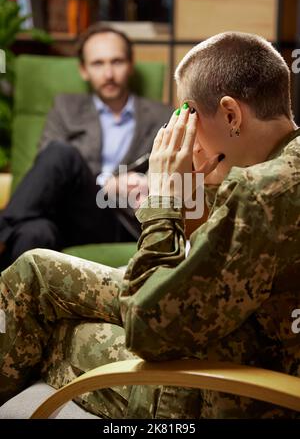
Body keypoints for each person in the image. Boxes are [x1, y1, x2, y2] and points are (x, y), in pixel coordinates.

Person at [1, 31, 300, 419]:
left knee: (59, 328)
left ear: (231, 115)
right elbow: (230, 268)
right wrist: (200, 193)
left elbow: (147, 326)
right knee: (37, 266)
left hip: (231, 385)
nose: (187, 139)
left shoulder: (257, 193)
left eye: (189, 117)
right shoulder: (279, 167)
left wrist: (163, 198)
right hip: (236, 332)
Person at [0, 24, 173, 270]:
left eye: (117, 62)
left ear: (131, 64)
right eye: (98, 64)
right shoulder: (66, 108)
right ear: (83, 70)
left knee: (63, 152)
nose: (109, 74)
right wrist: (106, 183)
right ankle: (7, 307)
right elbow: (47, 166)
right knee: (35, 233)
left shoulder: (161, 116)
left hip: (118, 218)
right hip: (65, 212)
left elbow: (173, 175)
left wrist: (141, 184)